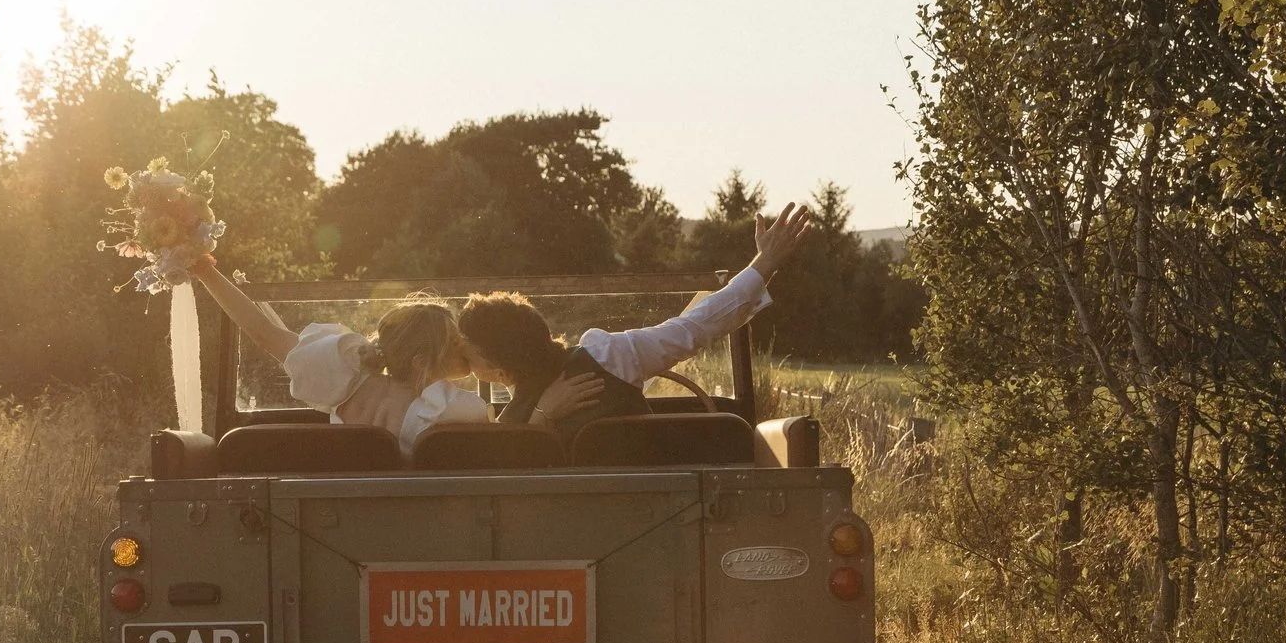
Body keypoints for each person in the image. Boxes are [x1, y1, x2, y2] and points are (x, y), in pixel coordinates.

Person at [455, 203, 815, 443]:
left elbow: (692, 329)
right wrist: (763, 264)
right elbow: (692, 330)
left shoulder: (508, 429)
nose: (464, 366)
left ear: (499, 370)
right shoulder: (606, 354)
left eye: (468, 358)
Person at [187, 256, 601, 452]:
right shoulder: (450, 411)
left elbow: (263, 334)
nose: (468, 350)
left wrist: (204, 269)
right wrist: (545, 413)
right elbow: (514, 459)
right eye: (457, 345)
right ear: (424, 364)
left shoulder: (344, 380)